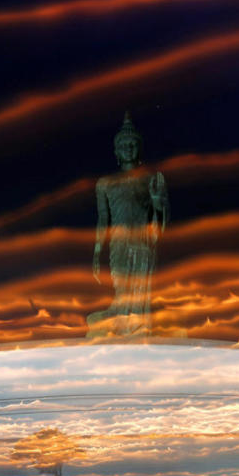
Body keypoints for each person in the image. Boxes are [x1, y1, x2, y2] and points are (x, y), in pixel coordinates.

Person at [87, 112, 169, 337]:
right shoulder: (105, 183)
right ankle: (121, 318)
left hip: (141, 239)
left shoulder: (150, 178)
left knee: (139, 288)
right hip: (118, 242)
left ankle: (137, 324)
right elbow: (103, 219)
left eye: (133, 144)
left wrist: (157, 202)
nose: (129, 149)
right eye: (124, 145)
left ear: (139, 148)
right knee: (122, 285)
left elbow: (161, 218)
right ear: (116, 151)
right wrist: (96, 251)